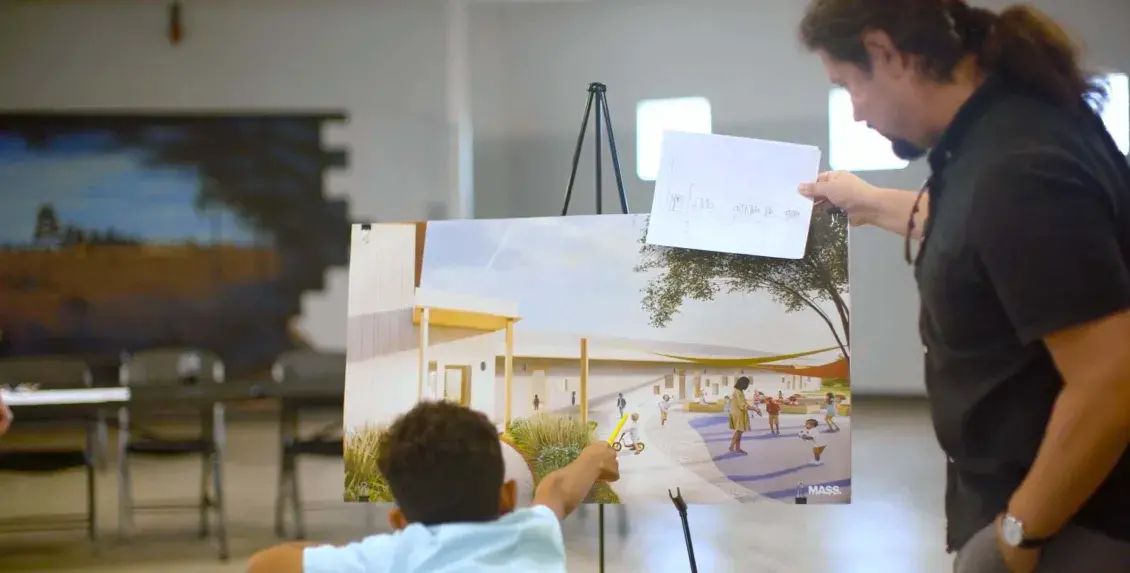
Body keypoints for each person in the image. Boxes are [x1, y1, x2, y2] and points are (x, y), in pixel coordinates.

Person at [798, 1, 1130, 571]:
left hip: (1071, 522)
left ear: (885, 53)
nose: (855, 112)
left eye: (849, 85)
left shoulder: (1018, 167)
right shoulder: (1012, 135)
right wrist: (871, 203)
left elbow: (1111, 377)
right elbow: (979, 234)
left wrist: (1021, 533)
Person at [246, 401, 619, 573]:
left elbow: (265, 565)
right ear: (507, 496)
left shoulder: (391, 557)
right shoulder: (534, 532)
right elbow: (557, 488)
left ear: (399, 519)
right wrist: (596, 457)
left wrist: (364, 552)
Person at [728, 376, 751, 454]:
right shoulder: (737, 392)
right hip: (738, 413)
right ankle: (732, 447)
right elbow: (742, 405)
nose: (747, 386)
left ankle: (737, 448)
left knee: (739, 431)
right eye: (747, 384)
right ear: (743, 384)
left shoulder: (739, 391)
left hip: (738, 412)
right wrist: (754, 408)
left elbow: (744, 403)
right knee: (739, 431)